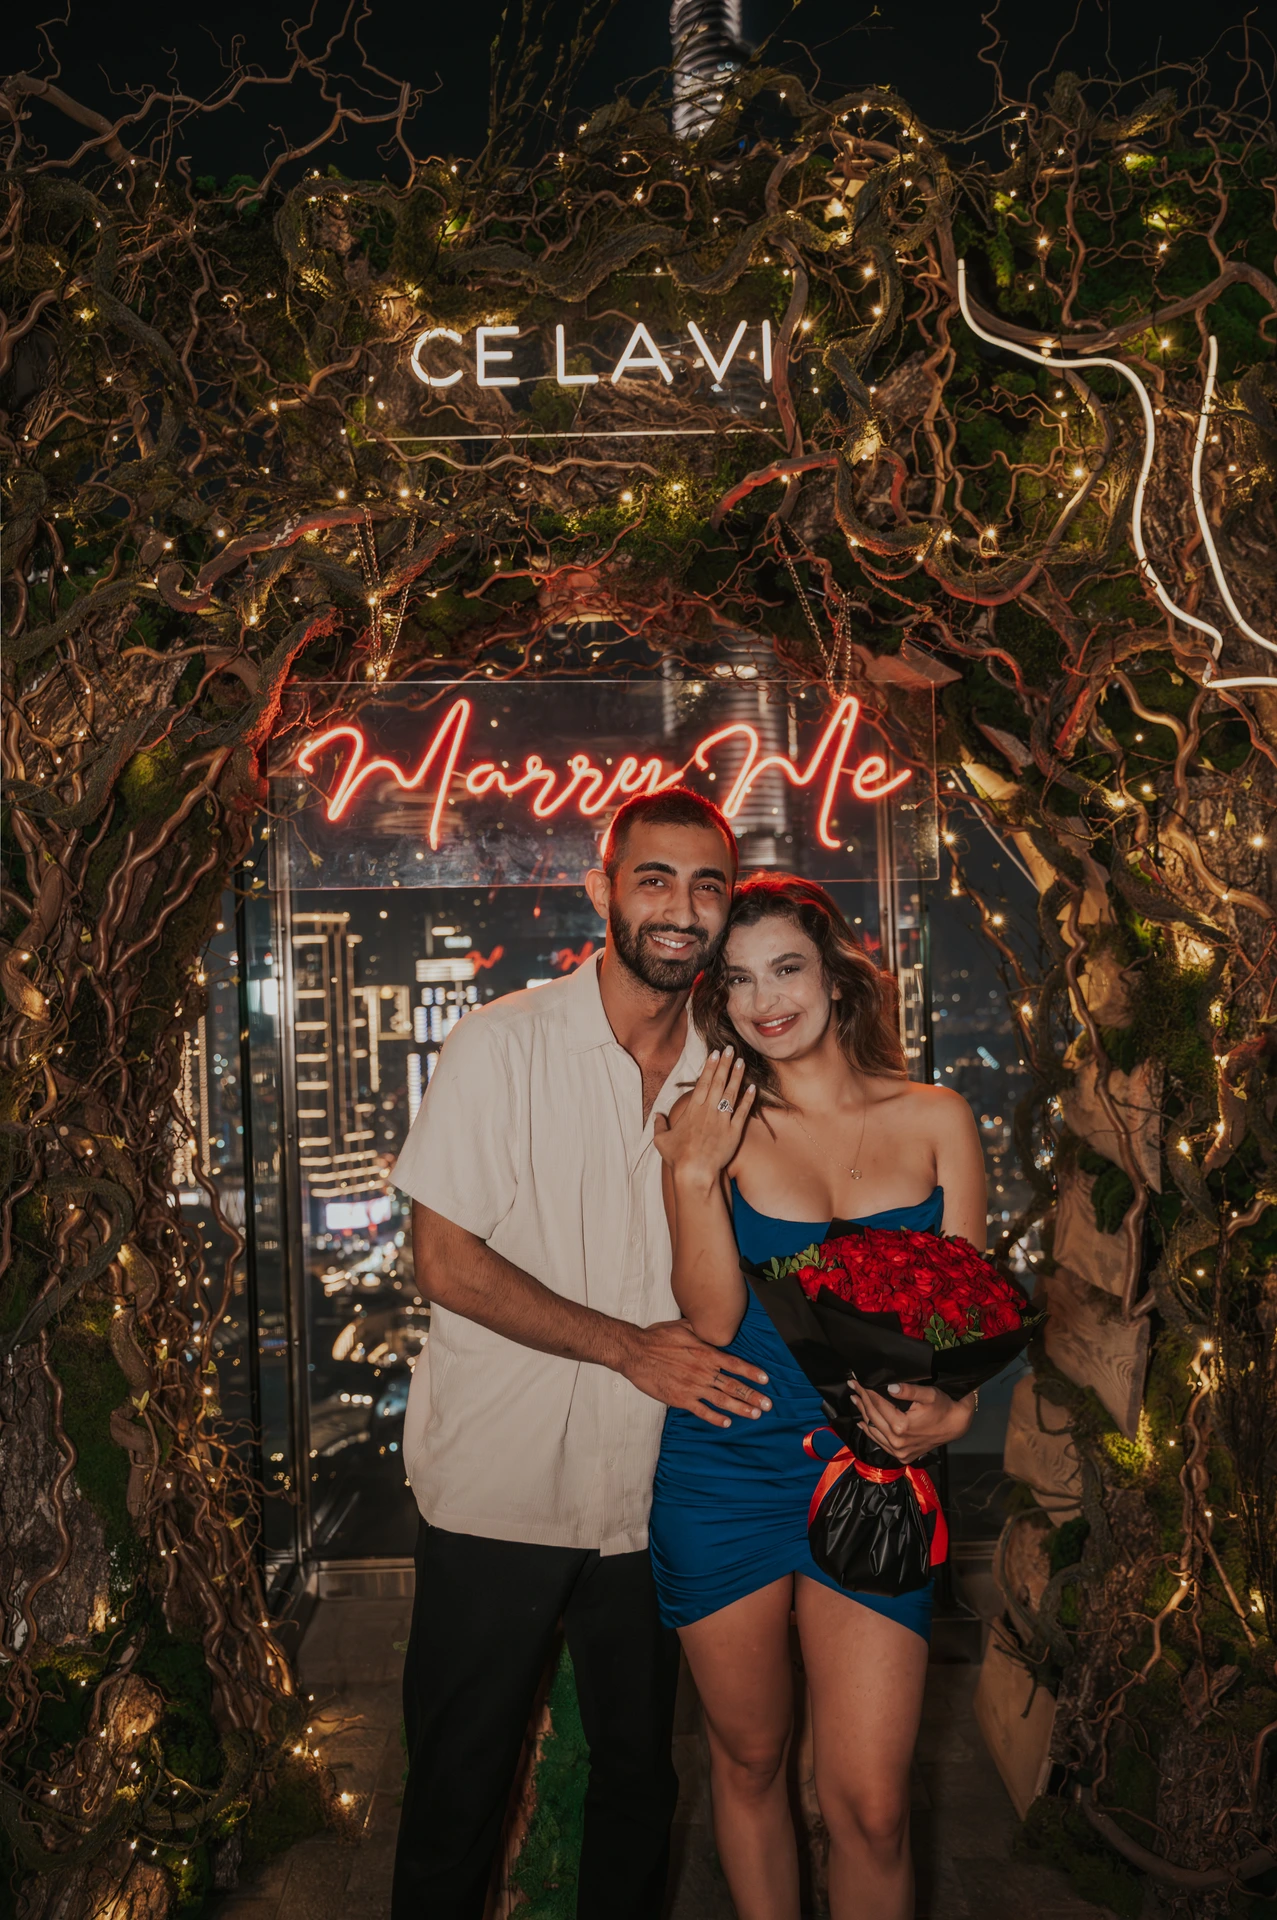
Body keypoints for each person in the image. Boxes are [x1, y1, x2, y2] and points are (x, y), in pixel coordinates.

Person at [388, 787, 773, 1920]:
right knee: (457, 1789)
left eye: (706, 885)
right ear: (601, 889)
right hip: (496, 1488)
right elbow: (445, 1263)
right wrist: (627, 1350)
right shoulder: (501, 1044)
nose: (680, 907)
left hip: (655, 1490)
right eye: (653, 878)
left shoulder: (733, 1072)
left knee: (639, 1785)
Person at [649, 874, 985, 1920]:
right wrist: (693, 1178)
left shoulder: (937, 1118)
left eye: (784, 968)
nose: (763, 1001)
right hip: (726, 1470)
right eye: (737, 980)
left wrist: (955, 1413)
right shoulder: (714, 1126)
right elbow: (706, 1322)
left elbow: (961, 1321)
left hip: (876, 1474)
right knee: (747, 1766)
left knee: (870, 1806)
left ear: (834, 976)